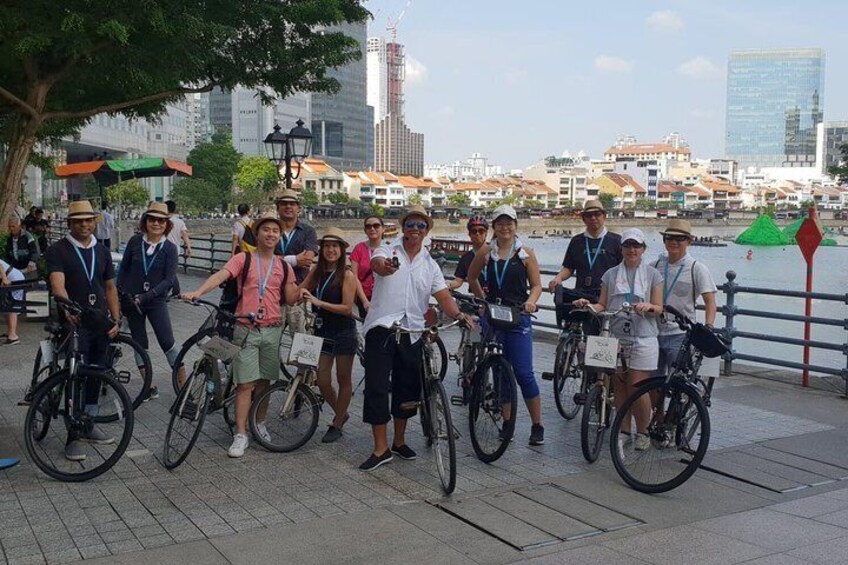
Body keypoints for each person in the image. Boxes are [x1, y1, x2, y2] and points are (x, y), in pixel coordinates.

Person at [360, 205, 471, 471]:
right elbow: (378, 265)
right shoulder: (388, 249)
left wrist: (459, 314)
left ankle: (398, 441)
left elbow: (443, 296)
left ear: (427, 231)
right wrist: (385, 267)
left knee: (407, 387)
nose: (415, 230)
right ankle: (380, 447)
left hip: (412, 331)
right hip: (382, 326)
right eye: (410, 224)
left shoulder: (430, 264)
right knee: (376, 386)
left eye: (421, 226)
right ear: (403, 227)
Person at [182, 212, 298, 458]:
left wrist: (311, 280)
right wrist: (198, 291)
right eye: (265, 229)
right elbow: (220, 276)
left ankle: (260, 423)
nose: (270, 234)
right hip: (245, 328)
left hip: (272, 328)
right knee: (245, 384)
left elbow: (290, 298)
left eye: (275, 231)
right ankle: (241, 433)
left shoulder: (284, 266)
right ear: (256, 234)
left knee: (265, 381)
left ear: (280, 236)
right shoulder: (243, 259)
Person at [571, 228, 664, 452]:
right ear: (621, 248)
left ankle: (643, 431)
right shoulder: (611, 274)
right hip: (616, 334)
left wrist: (648, 307)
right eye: (628, 246)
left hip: (643, 335)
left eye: (636, 246)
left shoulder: (653, 275)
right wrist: (589, 305)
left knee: (637, 385)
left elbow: (659, 307)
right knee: (620, 384)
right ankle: (623, 428)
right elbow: (603, 304)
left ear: (643, 249)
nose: (632, 250)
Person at [45, 200, 122, 461]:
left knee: (97, 374)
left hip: (99, 319)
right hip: (74, 320)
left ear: (94, 223)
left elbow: (110, 287)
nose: (84, 225)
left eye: (88, 220)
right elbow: (58, 285)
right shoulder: (58, 250)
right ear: (69, 223)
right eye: (78, 221)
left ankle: (88, 423)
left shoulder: (101, 251)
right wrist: (67, 308)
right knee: (75, 375)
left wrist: (116, 318)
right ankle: (72, 436)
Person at [467, 205, 545, 446]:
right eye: (500, 223)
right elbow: (472, 277)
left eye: (509, 223)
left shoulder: (526, 253)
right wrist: (481, 301)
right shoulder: (486, 252)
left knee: (523, 373)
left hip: (518, 316)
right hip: (494, 317)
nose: (505, 227)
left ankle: (537, 424)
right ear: (494, 227)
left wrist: (531, 302)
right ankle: (507, 423)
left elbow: (537, 285)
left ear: (515, 225)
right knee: (501, 371)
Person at [116, 202, 181, 399]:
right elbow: (123, 271)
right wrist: (120, 296)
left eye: (161, 220)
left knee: (167, 342)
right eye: (152, 219)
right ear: (146, 221)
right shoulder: (135, 242)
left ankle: (184, 388)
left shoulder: (170, 248)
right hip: (132, 302)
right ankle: (149, 387)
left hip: (155, 301)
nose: (156, 223)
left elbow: (169, 280)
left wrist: (147, 296)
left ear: (166, 224)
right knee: (139, 343)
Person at [300, 227, 357, 443]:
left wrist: (318, 302)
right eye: (327, 246)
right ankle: (342, 412)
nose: (331, 250)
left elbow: (346, 308)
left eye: (335, 246)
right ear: (321, 249)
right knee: (322, 379)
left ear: (342, 250)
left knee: (343, 378)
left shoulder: (347, 275)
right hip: (322, 330)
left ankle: (337, 422)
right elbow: (300, 289)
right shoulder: (317, 271)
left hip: (343, 331)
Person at [652, 219, 717, 379]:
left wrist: (709, 327)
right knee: (652, 382)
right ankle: (655, 406)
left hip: (680, 334)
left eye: (680, 239)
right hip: (653, 331)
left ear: (689, 241)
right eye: (669, 238)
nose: (674, 242)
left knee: (679, 382)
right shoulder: (655, 265)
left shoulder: (697, 268)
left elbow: (710, 301)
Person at [548, 199, 622, 302]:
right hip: (581, 296)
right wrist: (558, 278)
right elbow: (568, 268)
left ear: (604, 216)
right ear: (583, 219)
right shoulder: (576, 241)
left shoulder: (617, 241)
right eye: (589, 215)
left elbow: (625, 270)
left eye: (597, 214)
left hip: (608, 296)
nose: (593, 218)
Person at [274, 190, 318, 333]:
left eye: (292, 204)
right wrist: (293, 260)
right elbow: (262, 260)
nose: (288, 207)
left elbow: (307, 259)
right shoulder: (271, 230)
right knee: (270, 342)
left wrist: (277, 260)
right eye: (284, 203)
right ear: (278, 207)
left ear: (298, 208)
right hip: (273, 293)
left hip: (299, 293)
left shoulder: (308, 231)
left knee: (301, 342)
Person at [349, 215, 384, 315]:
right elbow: (354, 277)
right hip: (364, 296)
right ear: (365, 230)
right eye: (368, 226)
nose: (372, 228)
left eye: (376, 226)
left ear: (383, 229)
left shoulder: (389, 249)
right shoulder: (359, 248)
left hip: (384, 296)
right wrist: (364, 301)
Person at [447, 216, 489, 291]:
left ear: (486, 233)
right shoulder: (466, 258)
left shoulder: (495, 254)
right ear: (469, 234)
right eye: (474, 231)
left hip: (494, 297)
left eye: (481, 231)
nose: (477, 234)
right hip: (475, 297)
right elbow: (458, 281)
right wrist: (448, 284)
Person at [165, 200, 192, 295]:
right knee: (170, 270)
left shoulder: (163, 221)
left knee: (167, 271)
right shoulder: (179, 222)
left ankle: (171, 291)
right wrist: (189, 247)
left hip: (164, 249)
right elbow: (185, 234)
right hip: (176, 250)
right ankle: (175, 290)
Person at [0, 258, 25, 345]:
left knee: (12, 306)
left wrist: (4, 279)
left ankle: (13, 336)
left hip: (14, 278)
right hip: (9, 277)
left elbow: (0, 266)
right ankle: (9, 332)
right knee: (6, 306)